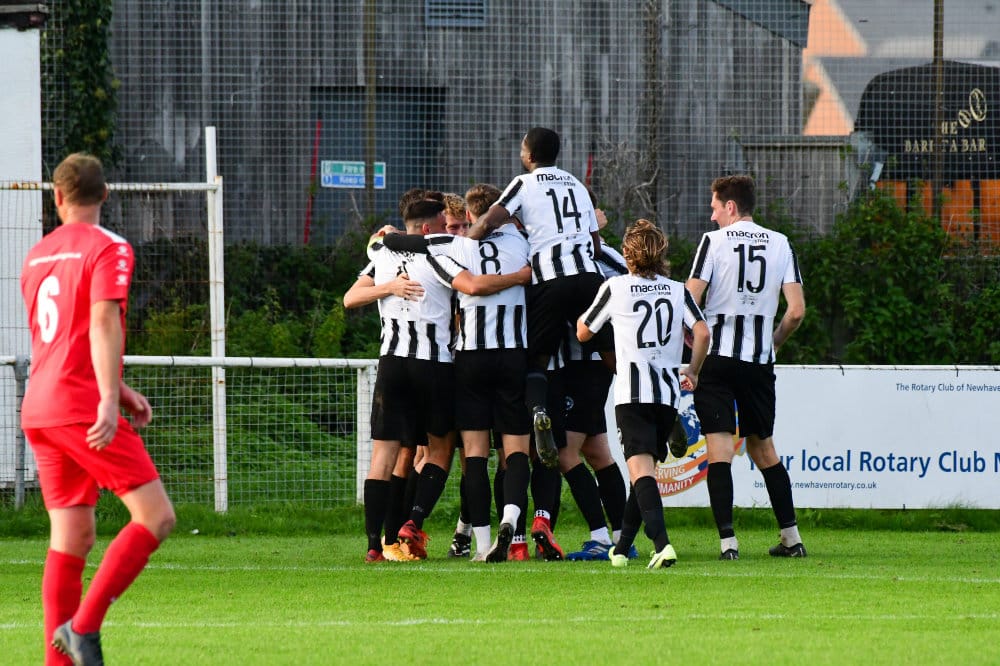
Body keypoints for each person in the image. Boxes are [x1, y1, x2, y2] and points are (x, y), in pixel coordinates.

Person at [20, 153, 176, 666]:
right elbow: (103, 321)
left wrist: (119, 388)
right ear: (105, 194)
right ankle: (83, 628)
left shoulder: (37, 255)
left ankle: (58, 660)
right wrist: (108, 397)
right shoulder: (108, 246)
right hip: (80, 405)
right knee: (155, 516)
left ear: (57, 197)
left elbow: (61, 339)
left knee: (72, 536)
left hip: (40, 407)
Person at [345, 195, 529, 562]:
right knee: (441, 450)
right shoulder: (438, 255)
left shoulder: (382, 252)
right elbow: (472, 286)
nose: (451, 230)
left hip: (391, 363)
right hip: (434, 364)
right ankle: (413, 523)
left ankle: (375, 546)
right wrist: (520, 277)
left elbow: (351, 298)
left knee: (385, 455)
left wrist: (389, 287)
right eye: (446, 224)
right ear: (429, 228)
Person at [467, 127, 609, 556]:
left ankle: (539, 411)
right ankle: (653, 400)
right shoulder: (578, 184)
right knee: (609, 350)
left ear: (528, 155)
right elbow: (595, 241)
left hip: (550, 279)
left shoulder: (523, 184)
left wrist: (468, 242)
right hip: (588, 276)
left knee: (537, 361)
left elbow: (492, 219)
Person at [685, 174, 807, 560]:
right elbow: (796, 311)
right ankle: (792, 538)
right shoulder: (781, 243)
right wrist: (774, 342)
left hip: (718, 358)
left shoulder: (714, 242)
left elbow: (690, 297)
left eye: (715, 207)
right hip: (758, 362)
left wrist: (690, 339)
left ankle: (728, 544)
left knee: (719, 449)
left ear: (731, 207)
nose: (712, 215)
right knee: (764, 449)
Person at [578, 219, 709, 569]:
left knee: (641, 471)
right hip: (667, 396)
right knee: (644, 471)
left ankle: (662, 545)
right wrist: (693, 371)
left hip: (632, 395)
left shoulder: (615, 287)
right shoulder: (677, 290)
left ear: (627, 254)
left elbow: (583, 331)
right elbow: (702, 332)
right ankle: (621, 549)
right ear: (661, 254)